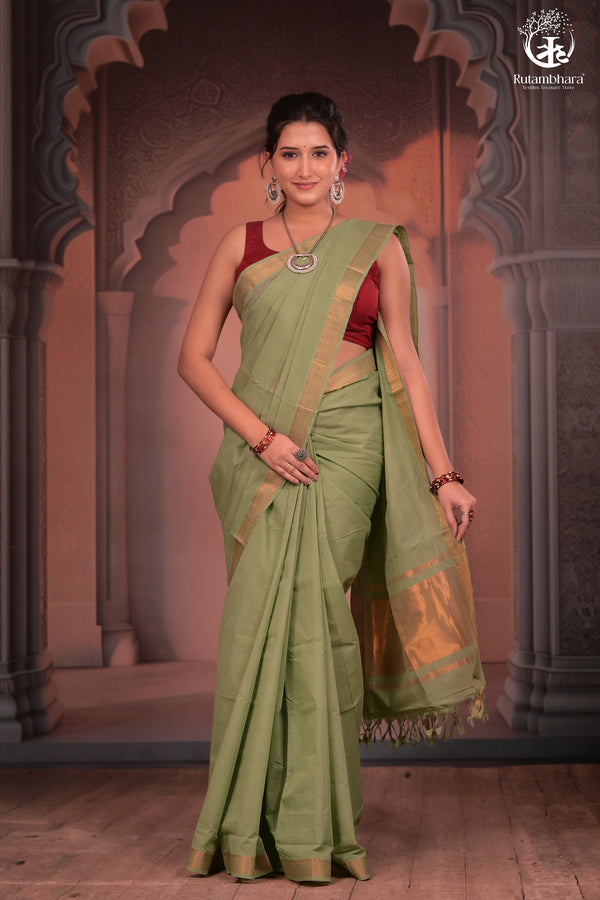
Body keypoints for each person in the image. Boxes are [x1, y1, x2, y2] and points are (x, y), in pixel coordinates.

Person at [179, 92, 486, 885]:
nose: (305, 168)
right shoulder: (239, 245)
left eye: (320, 154)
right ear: (268, 164)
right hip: (264, 451)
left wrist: (443, 473)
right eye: (290, 154)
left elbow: (407, 364)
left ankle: (317, 827)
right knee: (260, 628)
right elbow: (194, 360)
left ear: (341, 165)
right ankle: (249, 828)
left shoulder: (376, 244)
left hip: (350, 453)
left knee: (318, 619)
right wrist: (264, 438)